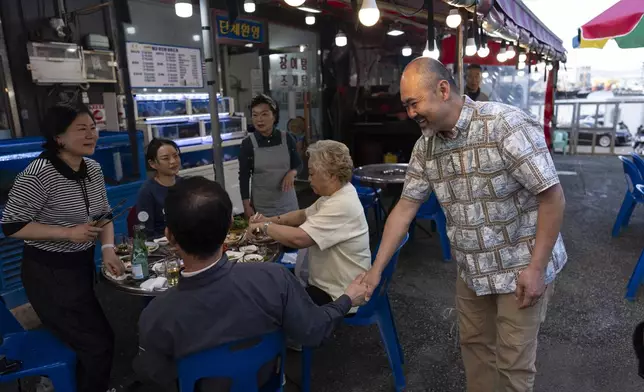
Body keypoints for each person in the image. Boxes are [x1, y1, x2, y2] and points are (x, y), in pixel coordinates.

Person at [361, 58, 567, 392]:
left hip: (520, 267)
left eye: (413, 103)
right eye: (406, 106)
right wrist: (375, 270)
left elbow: (552, 197)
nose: (410, 113)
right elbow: (404, 208)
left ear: (443, 90)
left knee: (513, 366)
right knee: (474, 349)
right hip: (471, 270)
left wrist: (537, 268)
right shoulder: (425, 148)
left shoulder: (504, 124)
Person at [134, 176, 368, 391]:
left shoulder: (156, 314)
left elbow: (154, 376)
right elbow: (313, 330)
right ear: (228, 228)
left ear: (170, 237)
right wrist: (346, 300)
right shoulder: (275, 279)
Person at [0, 104, 125, 392]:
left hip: (79, 267)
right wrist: (67, 233)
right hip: (48, 274)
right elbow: (12, 225)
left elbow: (104, 215)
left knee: (88, 340)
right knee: (98, 343)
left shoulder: (92, 168)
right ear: (58, 137)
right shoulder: (38, 173)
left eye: (93, 128)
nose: (91, 134)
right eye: (82, 129)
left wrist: (107, 248)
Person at [248, 140, 371, 308]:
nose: (309, 178)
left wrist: (263, 227)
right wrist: (268, 220)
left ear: (331, 175)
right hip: (334, 283)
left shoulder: (341, 203)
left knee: (270, 302)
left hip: (341, 293)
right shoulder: (336, 193)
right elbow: (301, 215)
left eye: (312, 173)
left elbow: (300, 239)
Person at [239, 94, 302, 218]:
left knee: (290, 236)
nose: (259, 119)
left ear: (274, 116)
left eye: (264, 114)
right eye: (255, 115)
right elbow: (244, 177)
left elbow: (298, 164)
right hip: (262, 207)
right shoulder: (247, 144)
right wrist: (246, 206)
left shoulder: (287, 138)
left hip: (288, 204)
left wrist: (292, 173)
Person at [136, 138, 181, 239]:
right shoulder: (147, 192)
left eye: (176, 156)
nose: (173, 161)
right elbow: (145, 232)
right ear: (152, 164)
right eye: (166, 158)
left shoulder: (186, 185)